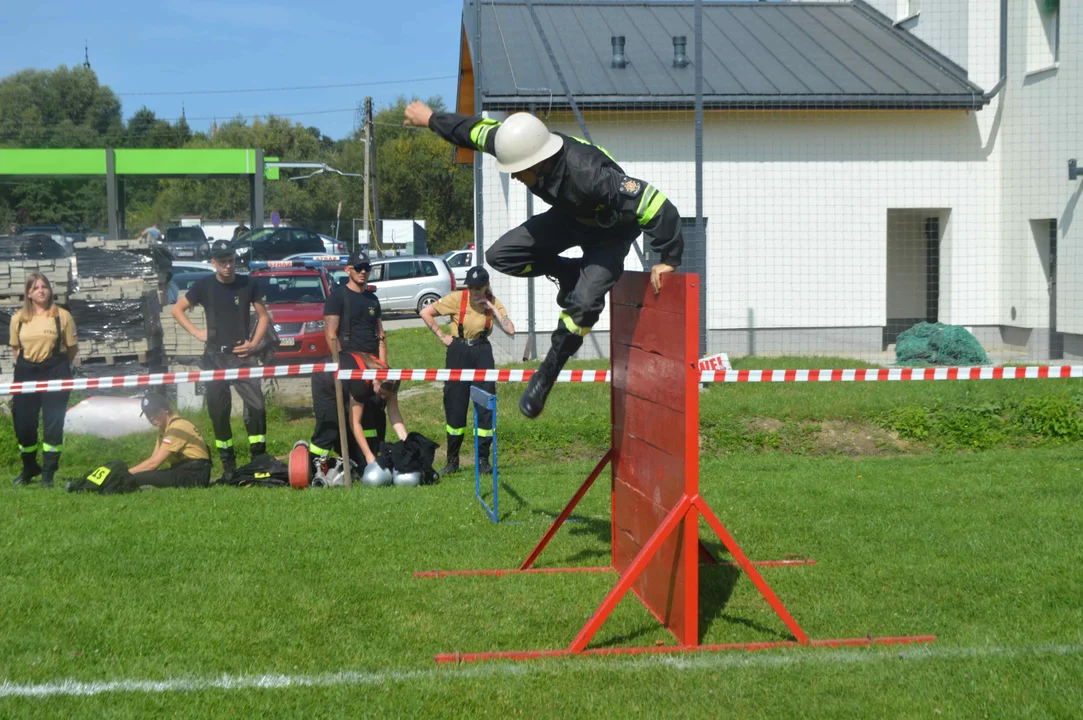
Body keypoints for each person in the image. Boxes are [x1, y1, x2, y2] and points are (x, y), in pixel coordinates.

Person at [404, 101, 684, 419]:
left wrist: (669, 257)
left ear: (539, 161)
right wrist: (430, 119)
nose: (514, 177)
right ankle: (568, 273)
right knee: (501, 256)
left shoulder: (591, 176)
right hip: (570, 218)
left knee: (583, 307)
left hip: (611, 233)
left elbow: (656, 204)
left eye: (518, 172)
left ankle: (545, 377)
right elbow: (472, 131)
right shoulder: (515, 142)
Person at [170, 240, 271, 482]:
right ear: (213, 262)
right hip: (214, 356)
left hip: (243, 356)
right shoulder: (203, 286)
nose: (228, 265)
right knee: (218, 412)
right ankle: (228, 466)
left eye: (231, 260)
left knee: (257, 408)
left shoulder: (248, 283)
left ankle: (259, 459)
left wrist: (254, 344)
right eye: (223, 261)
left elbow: (263, 316)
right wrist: (197, 333)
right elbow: (177, 309)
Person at [419, 266, 514, 475]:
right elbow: (425, 312)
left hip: (482, 352)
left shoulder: (492, 303)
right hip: (458, 351)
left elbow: (510, 329)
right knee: (455, 404)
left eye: (478, 287)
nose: (473, 292)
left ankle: (483, 460)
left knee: (486, 405)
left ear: (486, 286)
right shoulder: (457, 298)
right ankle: (452, 461)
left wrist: (490, 306)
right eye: (470, 287)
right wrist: (442, 336)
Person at [308, 250, 387, 468]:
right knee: (333, 422)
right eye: (358, 268)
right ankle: (312, 463)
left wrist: (384, 370)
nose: (363, 272)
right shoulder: (337, 297)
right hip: (348, 367)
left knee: (373, 416)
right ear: (348, 270)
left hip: (371, 367)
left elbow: (381, 336)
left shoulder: (372, 299)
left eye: (367, 268)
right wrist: (341, 368)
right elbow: (331, 335)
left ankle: (366, 459)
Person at [9, 273, 78, 487]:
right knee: (24, 423)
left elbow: (72, 348)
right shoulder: (19, 317)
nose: (41, 290)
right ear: (28, 293)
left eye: (44, 286)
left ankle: (48, 473)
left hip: (55, 370)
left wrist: (57, 366)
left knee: (53, 424)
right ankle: (29, 467)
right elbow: (15, 348)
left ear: (50, 290)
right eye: (36, 287)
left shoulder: (62, 316)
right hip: (26, 371)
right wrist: (29, 366)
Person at [125, 392, 212, 489]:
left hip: (195, 473)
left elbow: (153, 464)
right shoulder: (164, 428)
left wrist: (125, 474)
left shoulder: (176, 428)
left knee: (139, 478)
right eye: (147, 414)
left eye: (154, 411)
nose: (151, 417)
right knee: (144, 476)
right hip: (184, 470)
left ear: (166, 408)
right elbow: (154, 458)